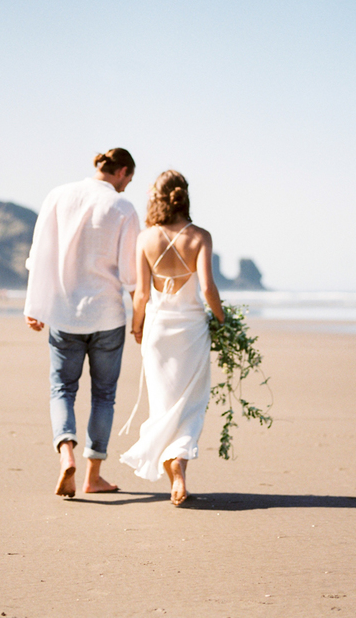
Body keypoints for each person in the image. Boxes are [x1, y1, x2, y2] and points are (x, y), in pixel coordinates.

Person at [24, 148, 140, 498]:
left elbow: (40, 252)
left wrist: (35, 306)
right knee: (104, 395)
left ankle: (66, 456)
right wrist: (140, 319)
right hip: (107, 316)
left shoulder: (58, 195)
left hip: (62, 313)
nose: (126, 187)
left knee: (62, 388)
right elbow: (131, 274)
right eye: (128, 180)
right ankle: (93, 475)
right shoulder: (123, 208)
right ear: (121, 171)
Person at [119, 170, 224, 506]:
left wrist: (137, 326)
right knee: (190, 403)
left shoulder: (146, 239)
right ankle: (178, 462)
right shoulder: (201, 237)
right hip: (192, 331)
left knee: (163, 403)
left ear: (156, 198)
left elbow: (141, 296)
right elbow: (207, 288)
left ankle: (170, 464)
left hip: (158, 330)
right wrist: (222, 322)